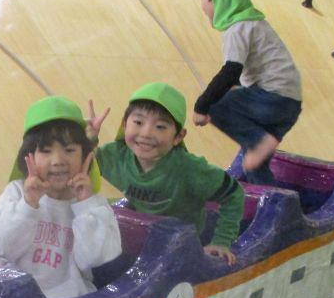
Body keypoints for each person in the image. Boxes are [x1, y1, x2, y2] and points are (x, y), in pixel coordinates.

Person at [89, 82, 244, 265]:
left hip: (188, 244)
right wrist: (89, 141)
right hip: (146, 236)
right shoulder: (115, 156)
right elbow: (80, 169)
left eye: (160, 126)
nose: (146, 133)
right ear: (124, 124)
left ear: (178, 137)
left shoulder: (189, 169)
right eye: (138, 122)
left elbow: (234, 194)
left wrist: (221, 241)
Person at [0, 96, 122, 298]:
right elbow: (5, 248)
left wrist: (85, 205)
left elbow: (96, 257)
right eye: (46, 151)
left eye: (69, 150)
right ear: (28, 157)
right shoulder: (16, 193)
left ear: (85, 156)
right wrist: (28, 204)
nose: (57, 161)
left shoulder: (93, 205)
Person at [191, 0, 302, 185]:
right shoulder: (255, 24)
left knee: (217, 105)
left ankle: (259, 142)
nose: (202, 3)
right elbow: (246, 74)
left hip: (273, 99)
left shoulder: (238, 28)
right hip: (289, 104)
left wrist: (202, 105)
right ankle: (271, 198)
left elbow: (230, 72)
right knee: (253, 162)